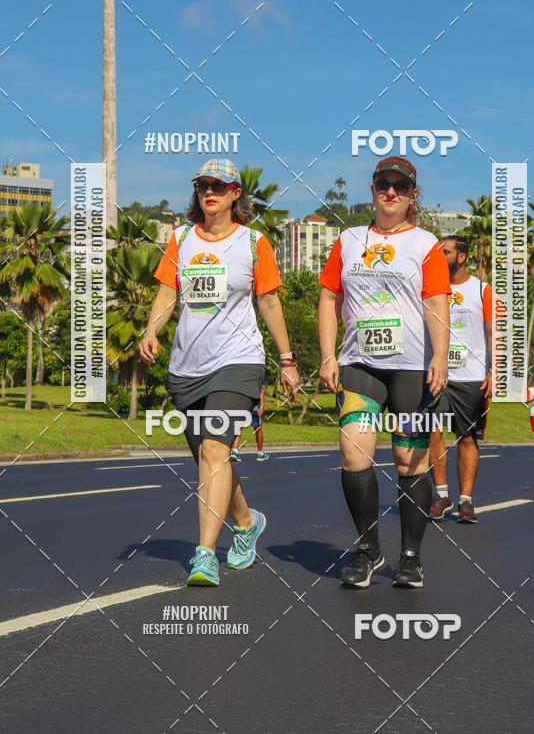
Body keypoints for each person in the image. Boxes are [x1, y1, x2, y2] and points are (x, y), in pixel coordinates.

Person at [139, 159, 299, 585]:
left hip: (238, 360)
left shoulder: (252, 243)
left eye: (218, 185)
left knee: (214, 452)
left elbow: (268, 302)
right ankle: (246, 522)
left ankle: (205, 554)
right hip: (187, 366)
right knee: (213, 458)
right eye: (202, 185)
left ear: (234, 194)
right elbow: (168, 292)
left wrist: (286, 359)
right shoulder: (181, 239)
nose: (208, 191)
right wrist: (152, 330)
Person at [319, 156, 450, 589]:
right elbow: (328, 300)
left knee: (409, 462)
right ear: (372, 189)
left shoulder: (426, 244)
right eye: (382, 184)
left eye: (400, 186)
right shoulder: (349, 240)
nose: (389, 192)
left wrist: (440, 356)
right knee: (354, 453)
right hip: (360, 365)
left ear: (413, 196)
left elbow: (436, 305)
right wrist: (326, 355)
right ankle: (368, 549)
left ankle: (410, 558)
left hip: (411, 368)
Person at [429, 236, 495, 524]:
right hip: (438, 376)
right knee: (432, 431)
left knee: (466, 438)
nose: (438, 255)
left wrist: (494, 372)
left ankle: (466, 502)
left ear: (462, 257)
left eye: (445, 252)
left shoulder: (482, 290)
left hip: (472, 377)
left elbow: (494, 334)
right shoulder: (430, 288)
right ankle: (441, 495)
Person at [231, 386, 270, 461]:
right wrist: (262, 405)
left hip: (244, 406)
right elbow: (261, 390)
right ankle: (260, 453)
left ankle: (235, 451)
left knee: (240, 428)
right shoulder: (257, 374)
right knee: (258, 428)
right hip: (255, 407)